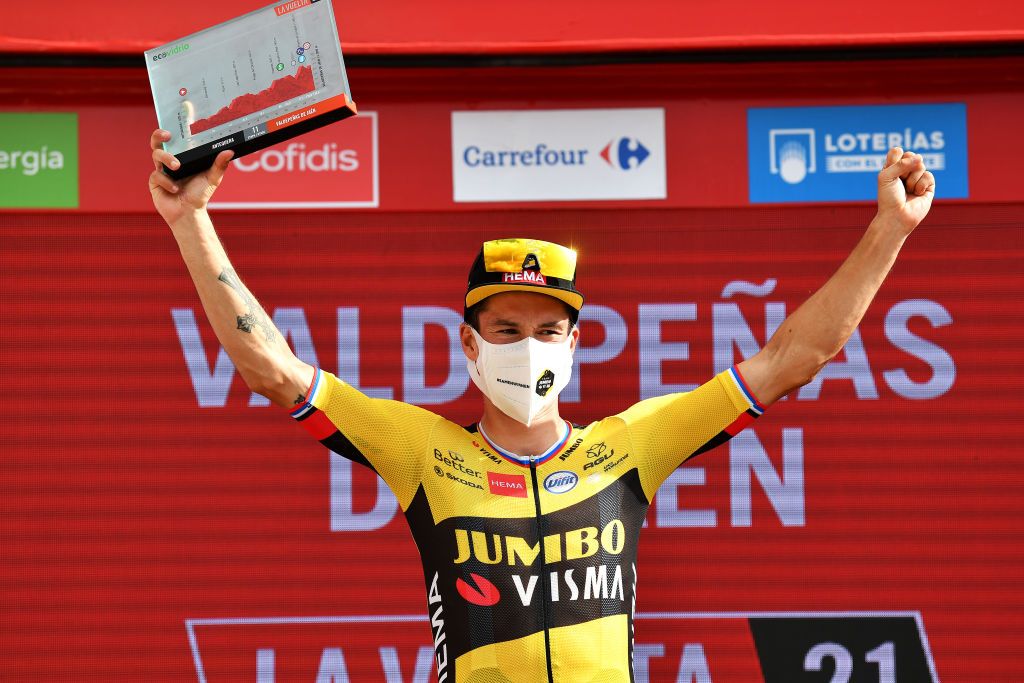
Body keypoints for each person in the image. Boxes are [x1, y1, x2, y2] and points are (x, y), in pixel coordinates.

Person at [148, 129, 935, 682]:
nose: (530, 346)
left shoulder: (629, 445)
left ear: (574, 342)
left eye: (548, 330)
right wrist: (192, 219)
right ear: (468, 344)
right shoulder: (422, 450)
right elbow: (274, 370)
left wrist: (889, 230)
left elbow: (795, 356)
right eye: (508, 329)